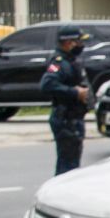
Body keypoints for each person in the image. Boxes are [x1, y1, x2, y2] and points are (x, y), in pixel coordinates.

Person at [40, 25, 90, 175]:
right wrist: (74, 92)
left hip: (73, 118)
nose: (81, 45)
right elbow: (47, 84)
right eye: (79, 41)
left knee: (72, 163)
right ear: (69, 42)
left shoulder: (71, 60)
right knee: (67, 166)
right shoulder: (59, 62)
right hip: (65, 119)